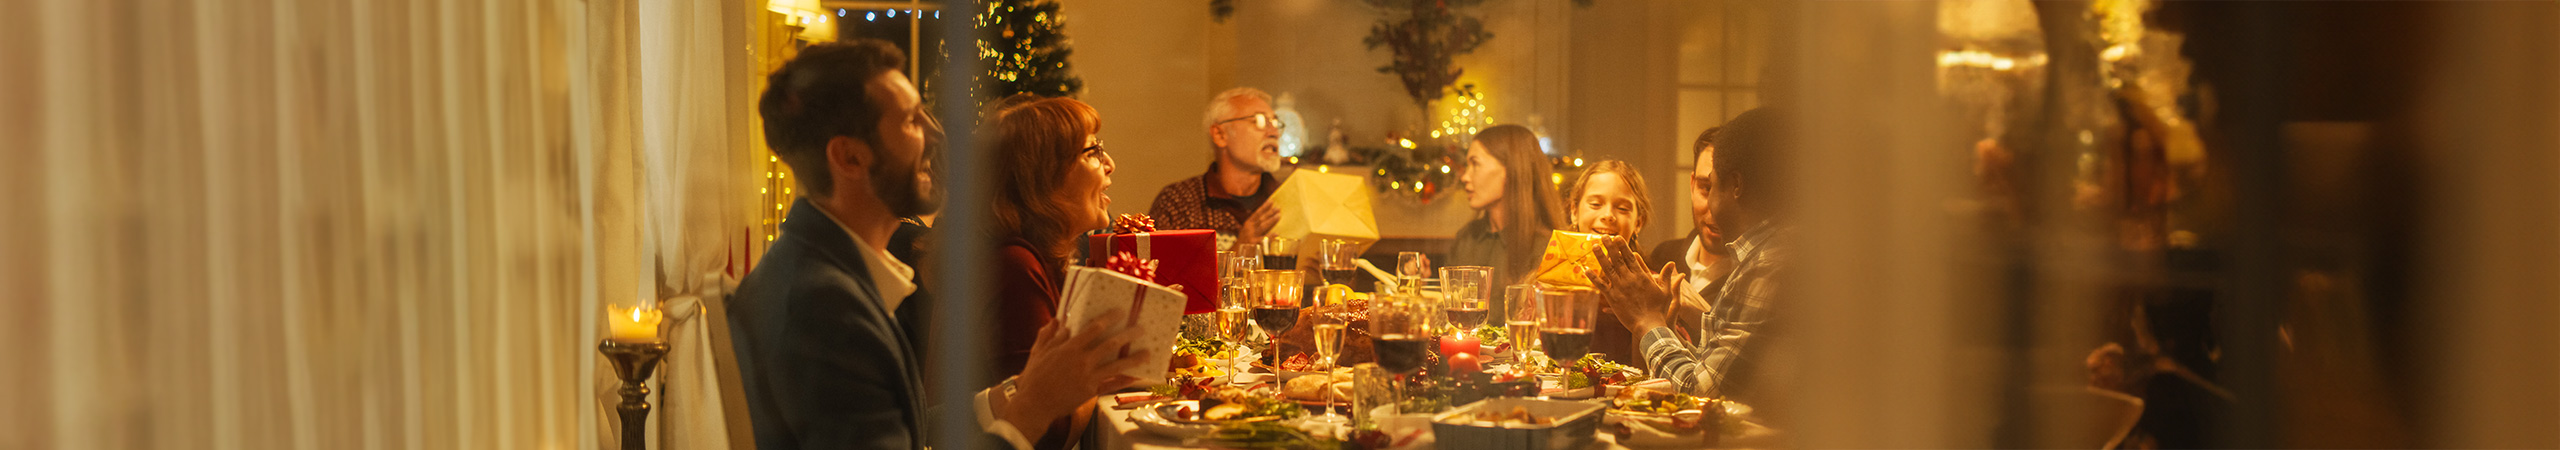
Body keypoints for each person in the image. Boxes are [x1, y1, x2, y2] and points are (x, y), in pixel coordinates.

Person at [727, 39, 1146, 450]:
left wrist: (1023, 388)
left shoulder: (833, 271)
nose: (938, 134)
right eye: (912, 121)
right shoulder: (824, 306)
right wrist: (1032, 410)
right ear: (850, 158)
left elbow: (913, 424)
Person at [1588, 108, 1793, 400]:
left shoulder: (1768, 262)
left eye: (1713, 184)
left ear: (1735, 185)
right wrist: (1661, 324)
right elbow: (1714, 370)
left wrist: (1647, 320)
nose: (1708, 200)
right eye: (1701, 186)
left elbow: (1701, 392)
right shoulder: (1762, 254)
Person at [982, 93, 1118, 379]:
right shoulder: (1015, 266)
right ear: (1046, 175)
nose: (1109, 164)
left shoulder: (1041, 257)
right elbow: (1046, 417)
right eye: (1093, 151)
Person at [1148, 87, 1286, 253]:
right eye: (1259, 121)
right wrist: (1239, 249)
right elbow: (1160, 274)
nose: (1274, 133)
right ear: (1220, 135)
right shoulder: (1178, 203)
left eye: (1276, 123)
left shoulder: (1286, 199)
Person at [1451, 124, 1568, 288]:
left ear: (1511, 170)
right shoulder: (1467, 238)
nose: (1465, 177)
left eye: (1475, 164)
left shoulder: (1546, 248)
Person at [1563, 160, 1654, 361]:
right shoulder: (1546, 281)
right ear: (1574, 211)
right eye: (1595, 204)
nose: (1608, 215)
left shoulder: (1650, 287)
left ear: (1638, 223)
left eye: (1622, 208)